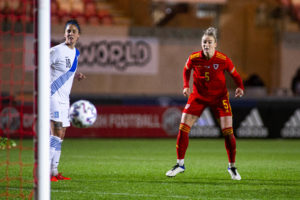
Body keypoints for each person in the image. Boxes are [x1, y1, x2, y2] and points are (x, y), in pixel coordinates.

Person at [166, 27, 244, 180]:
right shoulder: (194, 58)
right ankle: (180, 164)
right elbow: (186, 69)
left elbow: (235, 74)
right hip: (198, 97)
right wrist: (185, 85)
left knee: (228, 132)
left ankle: (232, 167)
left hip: (219, 98)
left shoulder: (223, 59)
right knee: (183, 127)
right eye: (204, 42)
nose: (206, 44)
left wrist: (240, 87)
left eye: (209, 42)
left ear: (215, 44)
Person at [50, 19, 86, 182]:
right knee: (56, 132)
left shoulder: (76, 53)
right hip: (52, 96)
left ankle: (54, 171)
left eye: (73, 31)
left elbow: (69, 69)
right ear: (64, 34)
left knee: (61, 135)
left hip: (65, 99)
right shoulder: (56, 51)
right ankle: (44, 172)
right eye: (68, 31)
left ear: (78, 35)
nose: (70, 34)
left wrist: (76, 74)